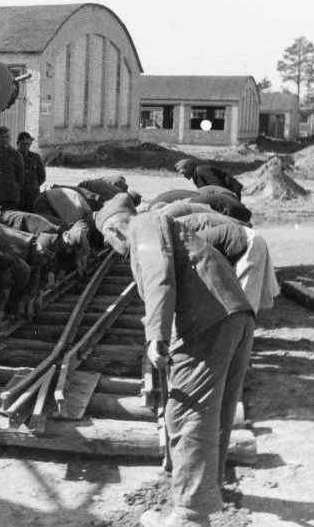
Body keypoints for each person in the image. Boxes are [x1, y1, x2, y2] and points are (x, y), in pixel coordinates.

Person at [95, 196, 254, 527]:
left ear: (114, 228)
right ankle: (205, 492)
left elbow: (158, 275)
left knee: (187, 411)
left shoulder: (143, 226)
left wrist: (157, 336)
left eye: (108, 240)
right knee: (216, 410)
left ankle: (190, 514)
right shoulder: (158, 225)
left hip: (208, 320)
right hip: (230, 312)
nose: (111, 248)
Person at [175, 159, 244, 201]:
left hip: (231, 194)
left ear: (188, 167)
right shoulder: (196, 175)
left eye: (183, 172)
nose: (183, 176)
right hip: (225, 194)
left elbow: (218, 186)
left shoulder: (201, 170)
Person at [17, 132, 45, 212]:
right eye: (23, 144)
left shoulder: (35, 157)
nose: (26, 146)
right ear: (18, 143)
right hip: (18, 197)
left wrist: (33, 186)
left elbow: (42, 176)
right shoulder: (12, 157)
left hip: (33, 196)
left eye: (28, 144)